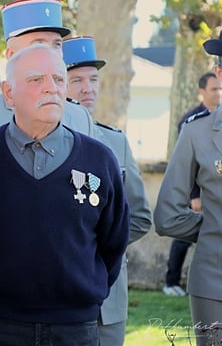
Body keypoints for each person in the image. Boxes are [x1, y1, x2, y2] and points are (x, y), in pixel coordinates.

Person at [0, 43, 130, 346]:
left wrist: (80, 298)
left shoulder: (99, 160)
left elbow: (113, 244)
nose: (51, 88)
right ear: (9, 93)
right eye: (36, 79)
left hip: (75, 331)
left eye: (59, 79)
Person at [63, 36, 152, 346]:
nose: (88, 88)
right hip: (53, 295)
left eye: (93, 79)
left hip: (107, 299)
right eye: (76, 80)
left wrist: (97, 249)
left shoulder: (116, 142)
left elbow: (140, 218)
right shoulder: (38, 142)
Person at [154, 25, 222, 346]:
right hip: (215, 284)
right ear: (219, 72)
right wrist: (216, 230)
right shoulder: (195, 132)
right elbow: (167, 216)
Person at [0, 0, 95, 161]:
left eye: (57, 44)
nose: (49, 52)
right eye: (38, 44)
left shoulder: (80, 116)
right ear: (11, 54)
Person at [162, 70, 222, 297]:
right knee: (184, 238)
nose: (219, 93)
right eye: (214, 89)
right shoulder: (191, 122)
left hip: (221, 193)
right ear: (201, 91)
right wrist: (194, 196)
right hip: (199, 193)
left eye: (221, 89)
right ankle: (171, 282)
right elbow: (187, 164)